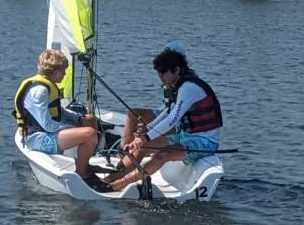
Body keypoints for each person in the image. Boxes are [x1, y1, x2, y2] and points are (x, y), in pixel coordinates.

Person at [100, 46, 223, 193]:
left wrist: (145, 136)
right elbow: (167, 111)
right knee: (143, 147)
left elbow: (172, 119)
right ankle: (112, 177)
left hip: (204, 142)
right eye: (158, 72)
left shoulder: (189, 88)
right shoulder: (177, 85)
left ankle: (120, 183)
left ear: (177, 70)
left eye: (164, 72)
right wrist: (146, 132)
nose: (160, 76)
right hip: (185, 137)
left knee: (162, 154)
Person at [13, 49, 108, 190]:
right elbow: (46, 124)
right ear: (55, 71)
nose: (64, 74)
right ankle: (82, 173)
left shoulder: (47, 85)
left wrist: (78, 119)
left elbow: (58, 111)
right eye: (63, 71)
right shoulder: (39, 91)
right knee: (89, 133)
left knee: (89, 120)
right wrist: (72, 128)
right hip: (37, 138)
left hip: (48, 132)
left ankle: (85, 162)